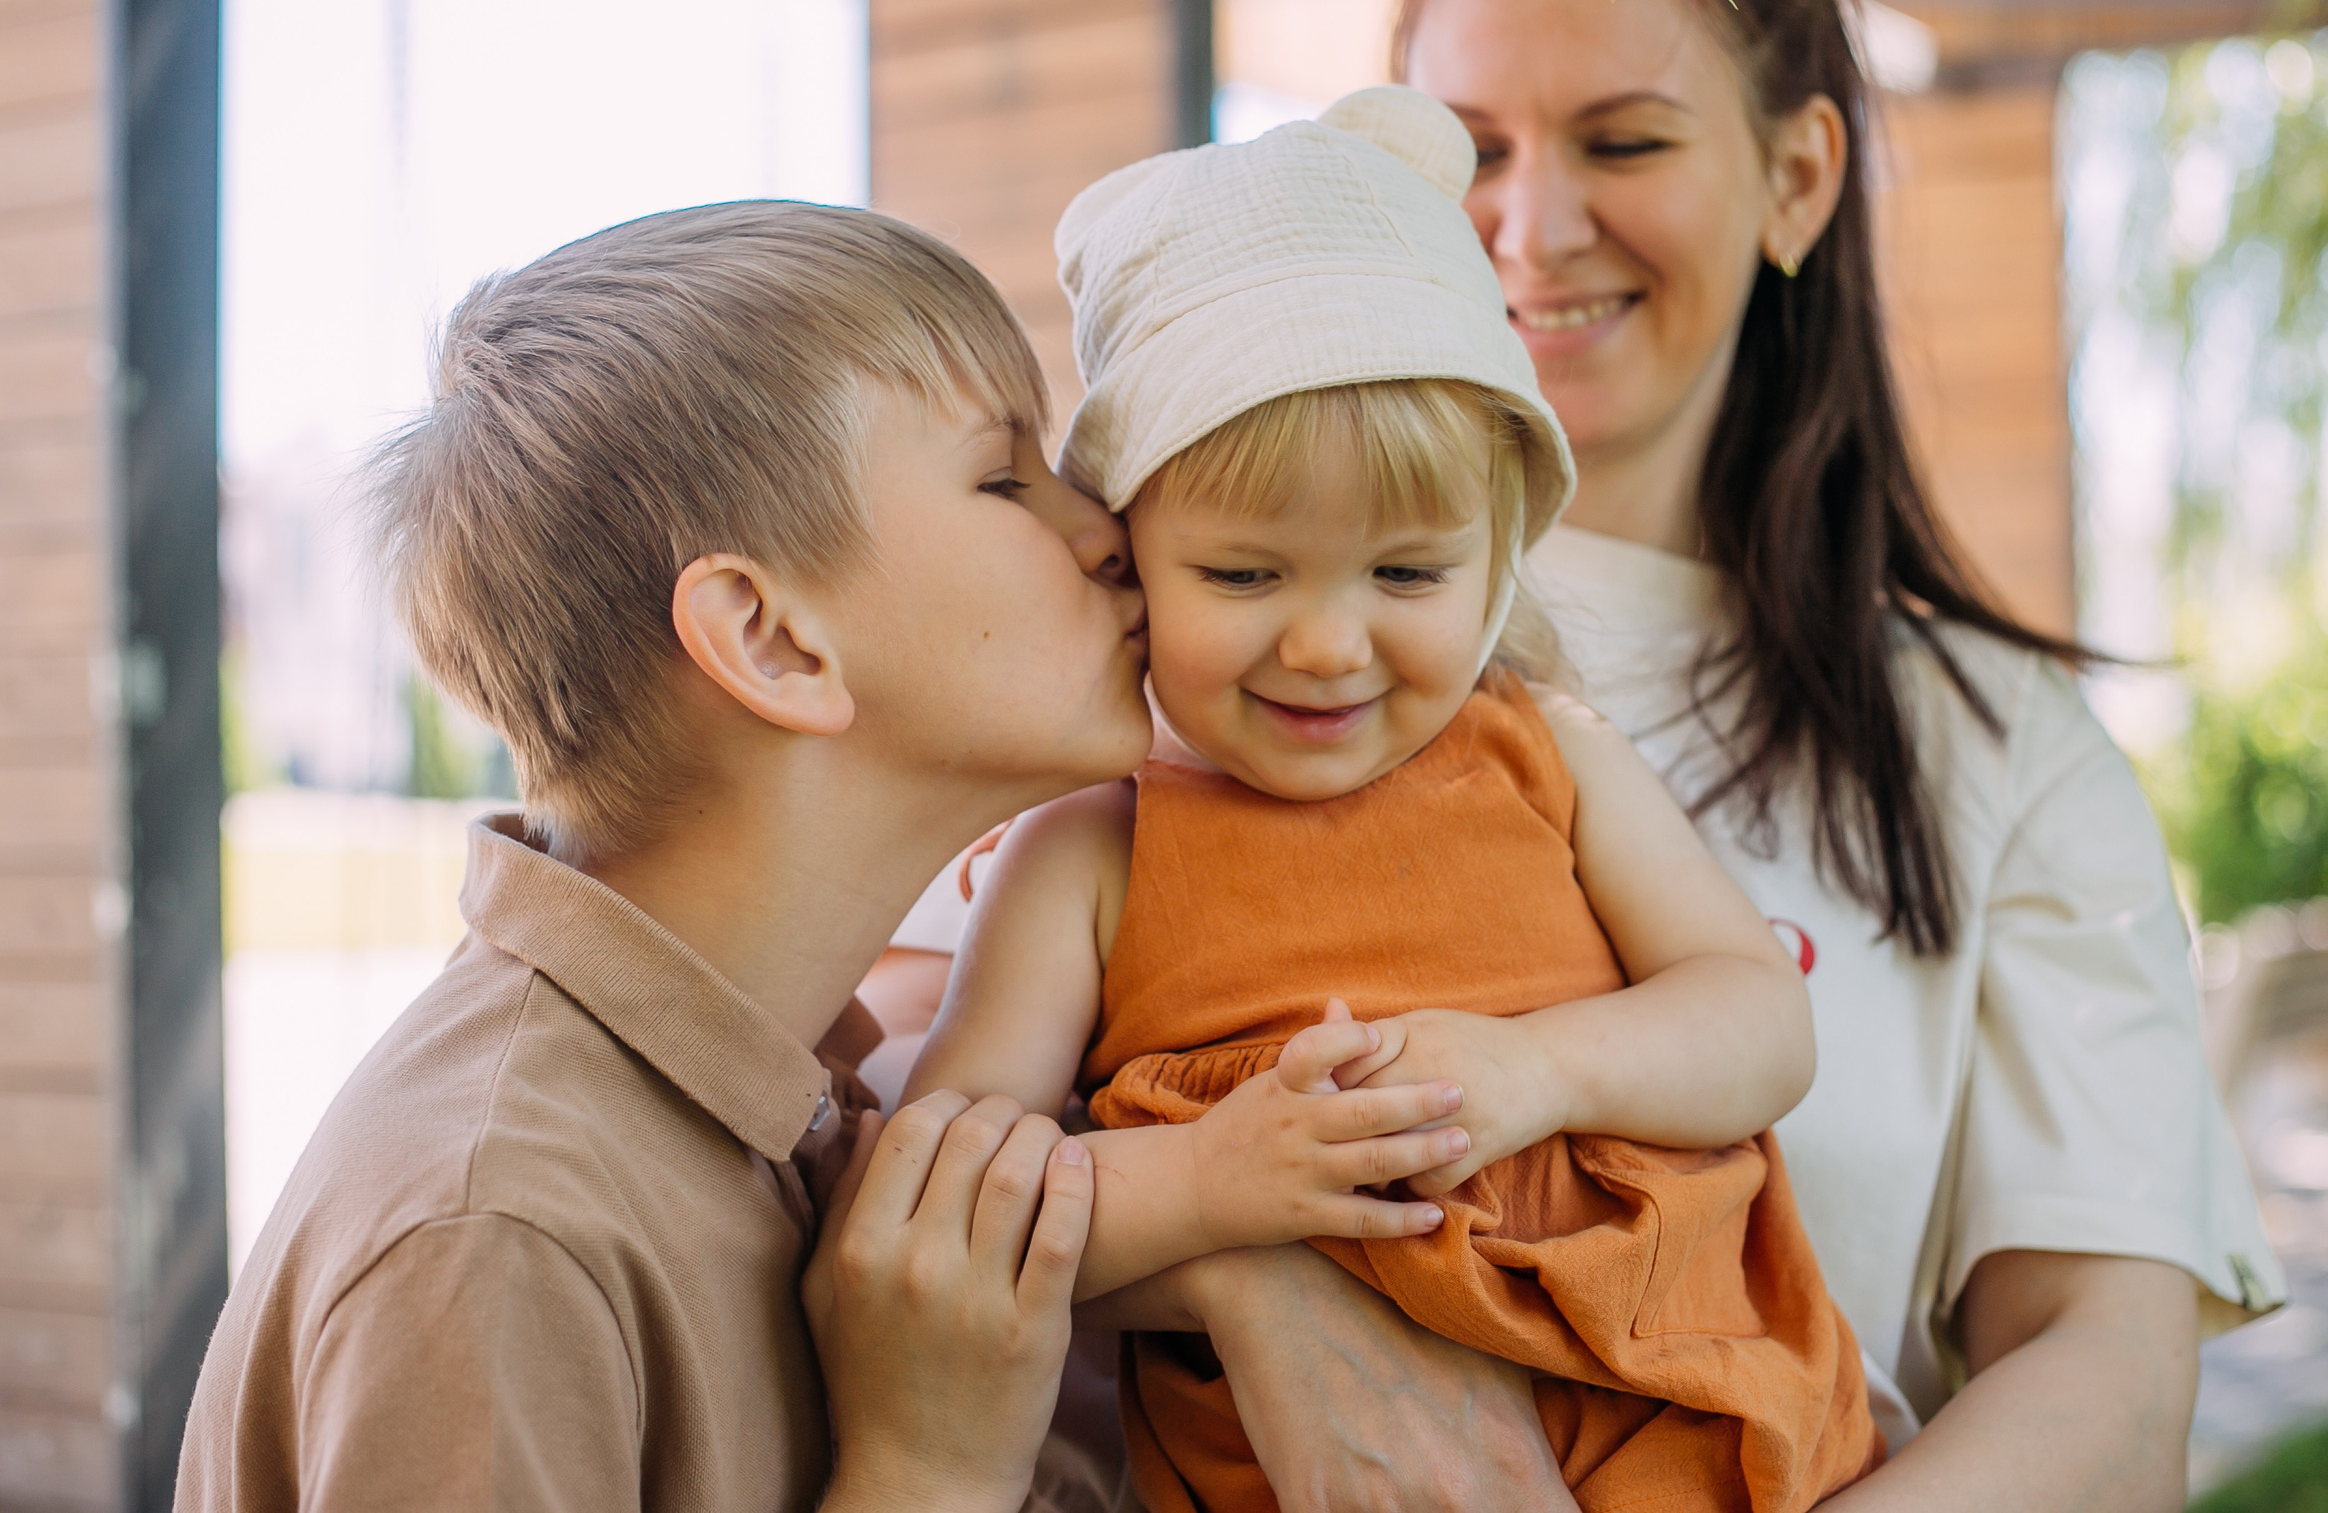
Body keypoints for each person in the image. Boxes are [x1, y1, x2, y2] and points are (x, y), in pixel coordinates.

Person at [1064, 0, 2285, 1513]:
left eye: (1623, 142)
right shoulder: (1162, 675)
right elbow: (909, 1178)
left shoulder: (1991, 749)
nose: (1529, 222)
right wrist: (1247, 1265)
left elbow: (2109, 1383)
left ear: (1797, 178)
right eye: (1466, 152)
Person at [170, 202, 1463, 1513]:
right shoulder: (495, 1239)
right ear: (774, 642)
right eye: (1007, 477)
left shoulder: (819, 1108)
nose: (1112, 530)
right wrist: (927, 1475)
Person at [907, 88, 1877, 1512]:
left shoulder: (1547, 755)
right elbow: (947, 1200)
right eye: (1243, 576)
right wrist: (1212, 1182)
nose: (1327, 645)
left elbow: (1758, 1017)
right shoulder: (1092, 851)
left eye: (1408, 576)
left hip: (1685, 1399)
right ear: (1128, 550)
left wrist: (1547, 1072)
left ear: (1499, 557)